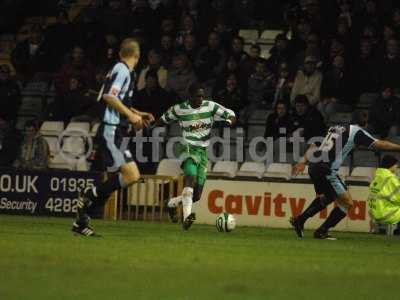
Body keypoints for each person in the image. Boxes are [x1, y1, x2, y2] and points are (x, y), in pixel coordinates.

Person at [72, 38, 155, 237]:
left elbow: (114, 98)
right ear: (138, 55)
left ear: (120, 53)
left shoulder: (122, 70)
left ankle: (81, 222)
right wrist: (131, 115)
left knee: (118, 179)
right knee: (131, 175)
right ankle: (89, 195)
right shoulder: (122, 70)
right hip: (111, 130)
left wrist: (138, 112)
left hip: (115, 131)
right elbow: (109, 97)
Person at [291, 111, 400, 239]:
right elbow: (380, 144)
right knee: (347, 203)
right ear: (365, 124)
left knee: (328, 197)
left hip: (314, 166)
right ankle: (321, 231)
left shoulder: (335, 129)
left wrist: (303, 161)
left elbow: (315, 144)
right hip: (327, 169)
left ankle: (300, 221)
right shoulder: (357, 132)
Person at [153, 83, 236, 230]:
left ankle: (171, 203)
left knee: (196, 195)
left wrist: (228, 122)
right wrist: (150, 126)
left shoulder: (210, 106)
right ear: (189, 96)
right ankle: (186, 218)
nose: (201, 98)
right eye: (198, 95)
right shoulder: (179, 109)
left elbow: (231, 114)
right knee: (190, 177)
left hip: (203, 152)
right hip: (186, 147)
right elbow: (162, 120)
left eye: (202, 95)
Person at [368, 155, 400, 228]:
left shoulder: (378, 176)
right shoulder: (391, 179)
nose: (397, 166)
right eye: (395, 164)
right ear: (390, 165)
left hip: (376, 213)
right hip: (388, 213)